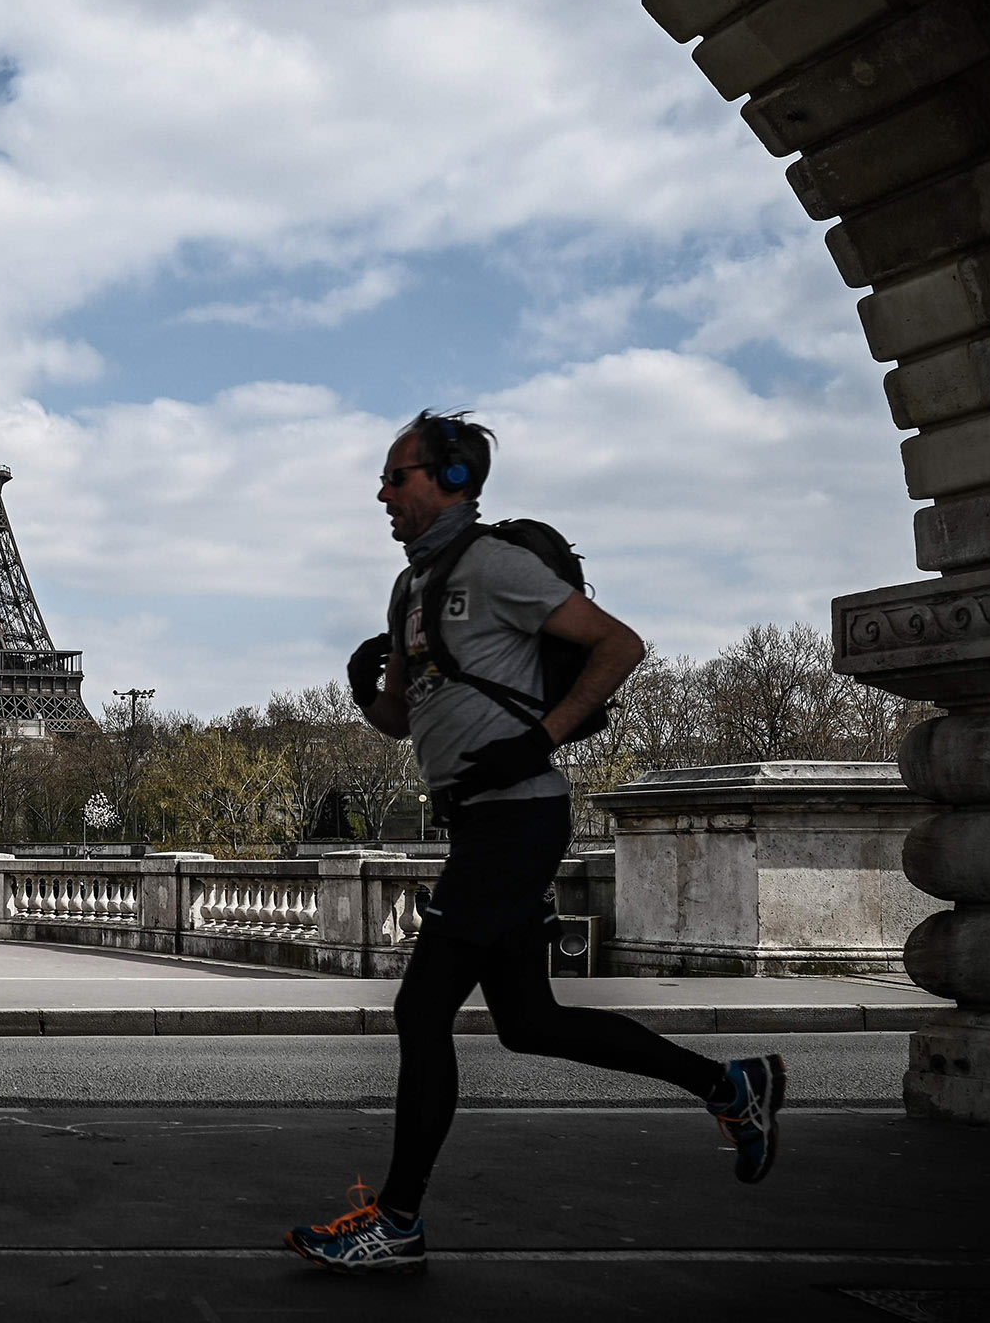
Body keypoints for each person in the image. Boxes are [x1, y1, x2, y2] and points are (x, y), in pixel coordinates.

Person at [285, 410, 785, 1275]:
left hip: (519, 815)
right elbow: (403, 723)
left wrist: (544, 735)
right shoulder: (408, 591)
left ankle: (397, 1222)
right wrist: (365, 688)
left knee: (420, 1008)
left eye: (395, 475)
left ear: (450, 480)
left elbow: (618, 645)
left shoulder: (496, 565)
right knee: (529, 1022)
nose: (381, 491)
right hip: (482, 819)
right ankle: (728, 1085)